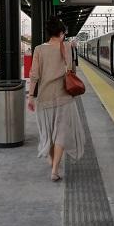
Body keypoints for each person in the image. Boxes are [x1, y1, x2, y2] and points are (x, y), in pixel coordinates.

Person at [28, 16, 85, 182]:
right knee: (60, 132)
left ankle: (52, 160)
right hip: (64, 96)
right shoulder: (66, 46)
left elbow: (34, 75)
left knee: (49, 132)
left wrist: (30, 97)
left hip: (44, 96)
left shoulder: (39, 49)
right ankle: (54, 170)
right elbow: (72, 69)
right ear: (61, 33)